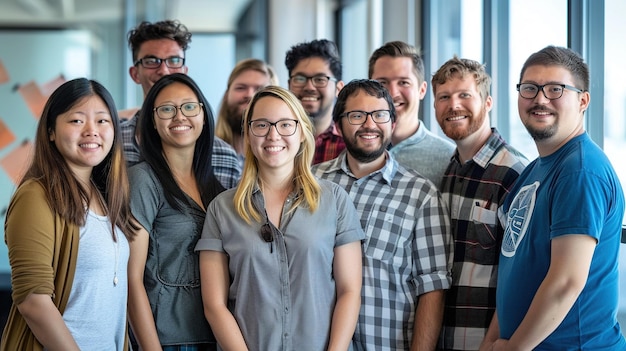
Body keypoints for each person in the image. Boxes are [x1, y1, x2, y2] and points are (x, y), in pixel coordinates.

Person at [196, 85, 364, 350]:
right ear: (249, 133)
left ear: (301, 133)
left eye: (286, 124)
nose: (273, 135)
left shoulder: (334, 200)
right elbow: (214, 306)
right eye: (261, 125)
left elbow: (349, 291)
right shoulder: (222, 209)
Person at [480, 46, 626, 351]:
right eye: (530, 88)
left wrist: (515, 347)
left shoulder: (581, 171)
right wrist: (494, 339)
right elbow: (513, 267)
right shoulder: (533, 172)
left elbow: (566, 282)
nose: (540, 99)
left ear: (583, 100)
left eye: (555, 89)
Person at [313, 79, 453, 351]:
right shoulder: (311, 183)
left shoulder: (421, 195)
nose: (369, 124)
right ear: (339, 124)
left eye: (379, 115)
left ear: (392, 123)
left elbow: (433, 289)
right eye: (357, 115)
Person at [1, 78, 137, 350]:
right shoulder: (36, 197)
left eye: (102, 121)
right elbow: (33, 301)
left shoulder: (104, 195)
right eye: (76, 121)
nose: (92, 131)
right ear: (51, 131)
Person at [430, 56, 528, 351]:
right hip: (444, 338)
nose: (453, 105)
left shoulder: (515, 173)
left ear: (487, 103)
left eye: (464, 95)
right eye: (444, 97)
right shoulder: (448, 172)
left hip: (486, 342)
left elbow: (523, 275)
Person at [127, 73, 225, 350]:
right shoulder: (143, 181)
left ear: (203, 116)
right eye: (167, 109)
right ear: (153, 122)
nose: (179, 116)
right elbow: (131, 278)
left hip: (217, 336)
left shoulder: (216, 188)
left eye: (189, 107)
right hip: (169, 340)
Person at [122, 19, 241, 188]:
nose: (163, 70)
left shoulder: (223, 155)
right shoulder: (114, 143)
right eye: (151, 61)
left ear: (185, 71)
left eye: (174, 60)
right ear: (135, 74)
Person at [368, 40, 455, 186]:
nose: (392, 93)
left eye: (403, 82)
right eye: (382, 83)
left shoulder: (449, 160)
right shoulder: (354, 152)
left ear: (422, 90)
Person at [285, 38, 346, 164]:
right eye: (300, 79)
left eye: (320, 79)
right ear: (289, 84)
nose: (309, 87)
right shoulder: (275, 139)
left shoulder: (351, 142)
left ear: (338, 88)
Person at [215, 58, 279, 164]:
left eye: (259, 89)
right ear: (226, 95)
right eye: (240, 88)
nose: (249, 95)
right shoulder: (206, 151)